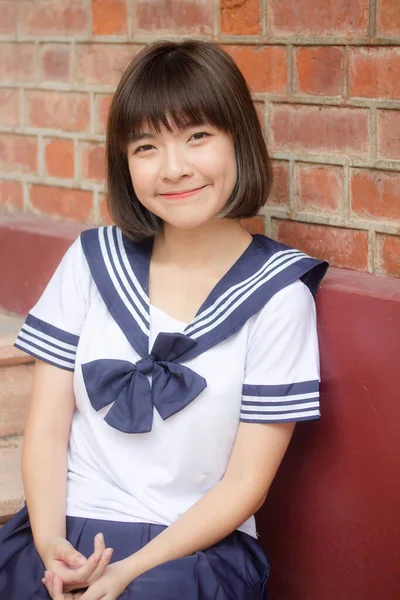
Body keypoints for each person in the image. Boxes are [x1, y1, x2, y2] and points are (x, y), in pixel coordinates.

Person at [0, 39, 328, 600]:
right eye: (146, 146)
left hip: (194, 546)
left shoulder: (278, 294)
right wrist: (51, 543)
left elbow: (246, 486)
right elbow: (48, 429)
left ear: (238, 141)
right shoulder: (90, 260)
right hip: (68, 525)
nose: (174, 169)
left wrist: (128, 572)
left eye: (198, 136)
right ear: (125, 164)